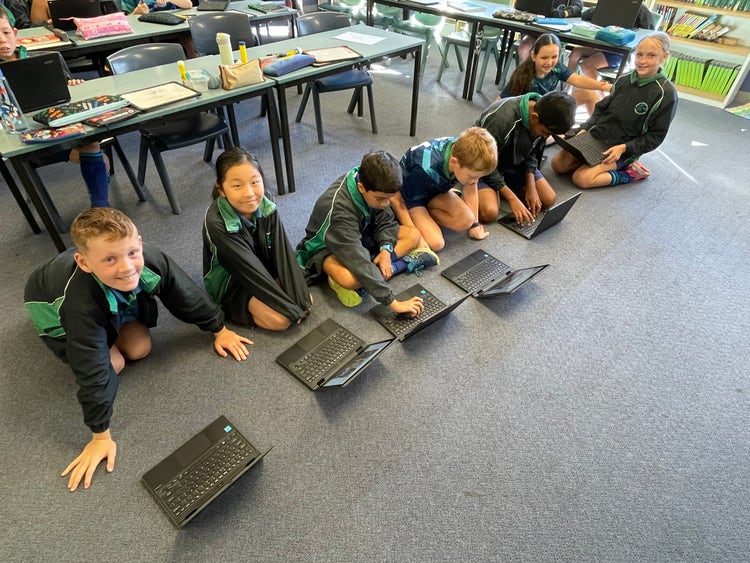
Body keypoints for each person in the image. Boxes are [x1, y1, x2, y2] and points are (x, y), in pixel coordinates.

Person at [24, 208, 253, 491]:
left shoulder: (148, 260)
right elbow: (91, 368)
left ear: (140, 243)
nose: (127, 267)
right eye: (111, 259)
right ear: (83, 262)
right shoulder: (78, 304)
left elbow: (185, 293)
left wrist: (220, 329)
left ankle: (110, 316)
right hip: (52, 309)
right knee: (113, 365)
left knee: (140, 349)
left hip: (101, 295)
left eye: (132, 253)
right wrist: (100, 436)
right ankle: (105, 323)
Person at [296, 151, 437, 312]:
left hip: (361, 234)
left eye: (389, 198)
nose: (385, 204)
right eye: (380, 199)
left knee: (413, 235)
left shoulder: (375, 185)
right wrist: (394, 303)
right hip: (328, 249)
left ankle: (373, 274)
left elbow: (385, 221)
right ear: (361, 188)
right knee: (351, 280)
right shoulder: (339, 211)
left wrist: (385, 249)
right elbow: (357, 259)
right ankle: (380, 271)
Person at [0, 10, 110, 208]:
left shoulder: (46, 58)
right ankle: (98, 192)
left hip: (59, 125)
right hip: (24, 139)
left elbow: (67, 95)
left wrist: (73, 84)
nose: (2, 41)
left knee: (92, 142)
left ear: (15, 33)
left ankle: (100, 210)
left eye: (6, 33)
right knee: (94, 155)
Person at [203, 148, 312, 331]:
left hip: (261, 265)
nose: (249, 193)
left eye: (255, 182)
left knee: (305, 300)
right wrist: (291, 310)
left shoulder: (265, 200)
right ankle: (239, 308)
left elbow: (281, 249)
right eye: (237, 186)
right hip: (233, 280)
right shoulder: (216, 223)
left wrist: (300, 301)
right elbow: (248, 270)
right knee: (281, 320)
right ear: (221, 189)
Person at [551, 32, 677, 188]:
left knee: (582, 178)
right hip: (597, 137)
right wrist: (585, 128)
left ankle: (630, 173)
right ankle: (591, 161)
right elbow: (601, 109)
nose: (643, 61)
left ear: (664, 57)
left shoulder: (666, 94)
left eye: (651, 56)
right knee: (558, 165)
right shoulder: (624, 80)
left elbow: (655, 136)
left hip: (621, 149)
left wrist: (625, 148)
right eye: (639, 55)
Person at [477, 90, 576, 225]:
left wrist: (531, 187)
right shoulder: (501, 120)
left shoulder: (544, 116)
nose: (545, 138)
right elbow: (485, 163)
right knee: (489, 212)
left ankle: (503, 188)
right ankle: (492, 189)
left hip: (514, 163)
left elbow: (532, 153)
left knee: (548, 199)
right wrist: (512, 199)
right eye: (545, 132)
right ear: (534, 117)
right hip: (483, 165)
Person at [393, 126, 498, 251]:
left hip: (435, 190)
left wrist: (475, 225)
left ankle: (427, 217)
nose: (475, 181)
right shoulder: (423, 169)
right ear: (454, 162)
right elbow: (398, 201)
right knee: (436, 243)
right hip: (411, 198)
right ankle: (422, 220)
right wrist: (415, 236)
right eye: (472, 176)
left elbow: (471, 186)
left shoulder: (463, 153)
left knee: (467, 220)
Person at [502, 33, 611, 116]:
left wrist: (602, 86)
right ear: (533, 56)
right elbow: (502, 99)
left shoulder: (557, 67)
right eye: (544, 57)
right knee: (561, 134)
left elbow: (577, 80)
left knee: (589, 94)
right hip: (532, 117)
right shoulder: (523, 75)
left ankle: (595, 132)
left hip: (548, 109)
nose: (549, 62)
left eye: (554, 57)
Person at [566, 2, 656, 90]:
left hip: (621, 52)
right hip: (603, 46)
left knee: (587, 65)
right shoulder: (611, 3)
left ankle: (605, 93)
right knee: (576, 52)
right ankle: (566, 90)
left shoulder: (639, 7)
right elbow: (586, 15)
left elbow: (649, 33)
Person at [515, 0, 584, 63]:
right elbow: (519, 5)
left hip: (558, 33)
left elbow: (577, 7)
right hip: (534, 29)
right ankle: (532, 74)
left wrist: (564, 13)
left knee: (547, 50)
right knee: (525, 47)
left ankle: (539, 75)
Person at [122, 0, 192, 15]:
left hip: (170, 23)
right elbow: (125, 21)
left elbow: (188, 4)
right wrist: (136, 13)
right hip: (144, 27)